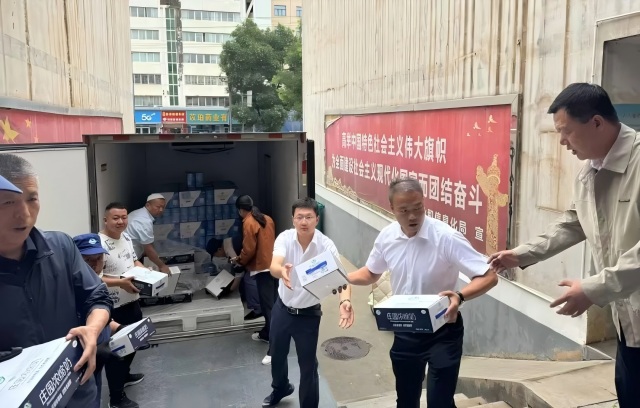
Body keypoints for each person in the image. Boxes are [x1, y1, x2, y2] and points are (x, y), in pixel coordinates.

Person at [488, 83, 640, 408]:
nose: (562, 141)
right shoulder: (590, 170)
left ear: (596, 122)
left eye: (566, 131)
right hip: (628, 320)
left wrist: (593, 289)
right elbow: (573, 222)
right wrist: (521, 254)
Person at [347, 178, 498, 408]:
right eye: (404, 210)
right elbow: (371, 273)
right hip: (406, 329)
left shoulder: (445, 237)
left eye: (418, 208)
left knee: (440, 402)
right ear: (392, 208)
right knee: (406, 400)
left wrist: (459, 296)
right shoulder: (387, 237)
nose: (412, 216)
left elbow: (489, 276)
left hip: (443, 330)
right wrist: (343, 277)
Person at [0, 155, 112, 407]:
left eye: (32, 199)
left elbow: (97, 297)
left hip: (77, 391)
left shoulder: (61, 247)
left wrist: (92, 329)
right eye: (8, 202)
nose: (25, 214)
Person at [265, 197, 354, 408]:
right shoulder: (285, 238)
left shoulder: (325, 245)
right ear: (293, 219)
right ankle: (280, 387)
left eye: (308, 217)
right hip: (282, 309)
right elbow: (274, 265)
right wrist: (281, 271)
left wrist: (345, 301)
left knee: (308, 366)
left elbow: (342, 278)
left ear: (317, 219)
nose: (303, 222)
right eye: (299, 217)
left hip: (308, 315)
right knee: (277, 355)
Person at [100, 202, 147, 408]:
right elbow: (95, 277)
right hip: (113, 309)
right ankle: (116, 400)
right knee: (116, 354)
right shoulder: (98, 244)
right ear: (106, 220)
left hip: (132, 302)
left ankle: (125, 376)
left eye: (124, 217)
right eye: (116, 218)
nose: (121, 221)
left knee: (133, 343)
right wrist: (121, 282)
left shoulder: (126, 237)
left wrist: (145, 271)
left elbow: (134, 261)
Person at [73, 233, 129, 408]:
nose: (94, 264)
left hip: (96, 360)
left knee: (96, 395)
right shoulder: (73, 290)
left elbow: (103, 319)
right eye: (87, 260)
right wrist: (95, 350)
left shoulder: (97, 284)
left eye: (98, 258)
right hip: (80, 363)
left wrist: (121, 329)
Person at [231, 195, 277, 365]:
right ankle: (266, 334)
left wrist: (239, 261)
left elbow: (249, 249)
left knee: (268, 308)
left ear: (240, 210)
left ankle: (275, 349)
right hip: (272, 265)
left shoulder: (249, 222)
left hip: (262, 268)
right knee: (271, 304)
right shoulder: (267, 219)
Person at [125, 193, 171, 273]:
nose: (161, 210)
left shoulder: (137, 213)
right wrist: (162, 266)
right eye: (158, 207)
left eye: (163, 207)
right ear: (148, 205)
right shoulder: (144, 221)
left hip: (129, 255)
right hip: (128, 259)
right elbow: (148, 248)